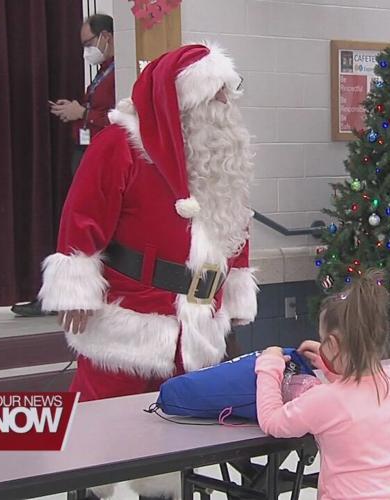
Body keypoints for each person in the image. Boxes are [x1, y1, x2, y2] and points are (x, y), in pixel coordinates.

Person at [37, 43, 255, 499]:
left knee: (178, 447)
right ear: (183, 101)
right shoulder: (122, 144)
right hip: (129, 322)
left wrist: (233, 295)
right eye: (215, 94)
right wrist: (75, 287)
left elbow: (236, 229)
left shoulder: (220, 162)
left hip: (197, 330)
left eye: (226, 94)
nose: (225, 105)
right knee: (104, 437)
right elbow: (83, 213)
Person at [255, 270, 390, 500]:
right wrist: (328, 364)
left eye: (324, 341)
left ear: (332, 343)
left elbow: (272, 421)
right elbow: (356, 396)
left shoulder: (326, 399)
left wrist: (268, 364)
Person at [12, 13, 117, 318]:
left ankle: (73, 295)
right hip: (87, 152)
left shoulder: (119, 72)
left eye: (89, 43)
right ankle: (60, 293)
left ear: (107, 37)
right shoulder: (102, 71)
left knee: (85, 225)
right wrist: (78, 112)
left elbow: (122, 115)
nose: (87, 50)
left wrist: (83, 114)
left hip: (102, 158)